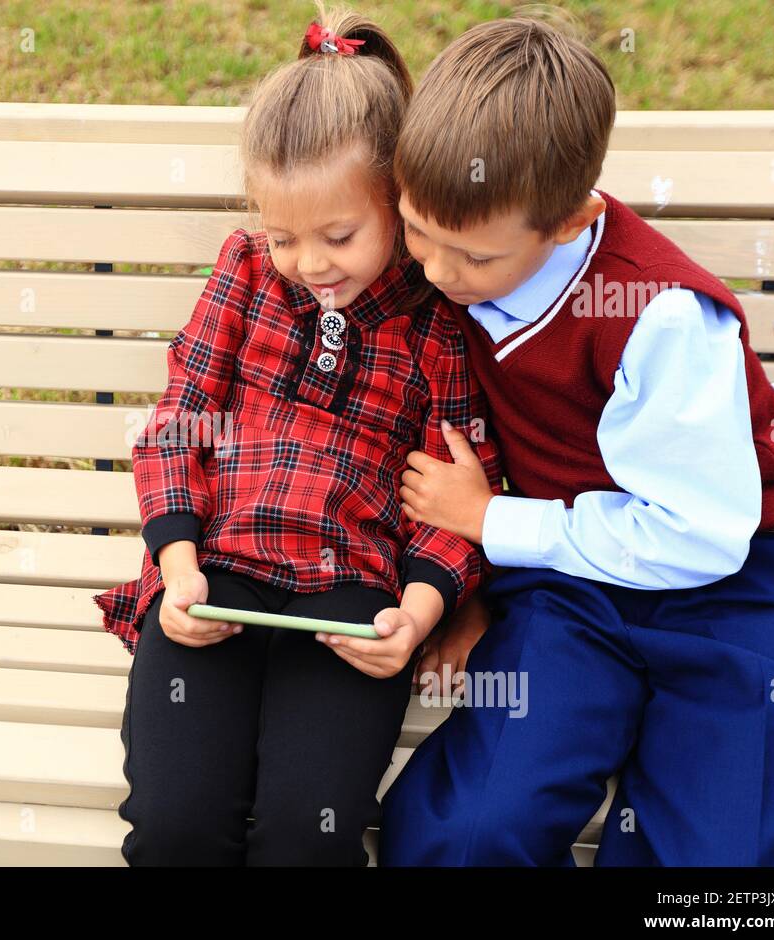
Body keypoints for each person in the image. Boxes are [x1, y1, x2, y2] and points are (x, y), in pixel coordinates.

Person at [368, 16, 774, 866]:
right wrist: (470, 592)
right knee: (468, 832)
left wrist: (492, 522)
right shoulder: (448, 274)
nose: (434, 271)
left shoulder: (658, 317)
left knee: (721, 867)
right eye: (415, 229)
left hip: (739, 585)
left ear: (573, 222)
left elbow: (698, 537)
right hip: (570, 587)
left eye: (469, 254)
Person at [91, 3, 502, 866]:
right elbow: (176, 427)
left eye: (338, 235)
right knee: (175, 824)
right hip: (215, 579)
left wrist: (417, 615)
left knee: (304, 834)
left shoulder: (434, 322)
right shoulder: (244, 276)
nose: (310, 263)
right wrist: (177, 570)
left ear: (397, 201)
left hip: (349, 604)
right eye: (285, 236)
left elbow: (465, 493)